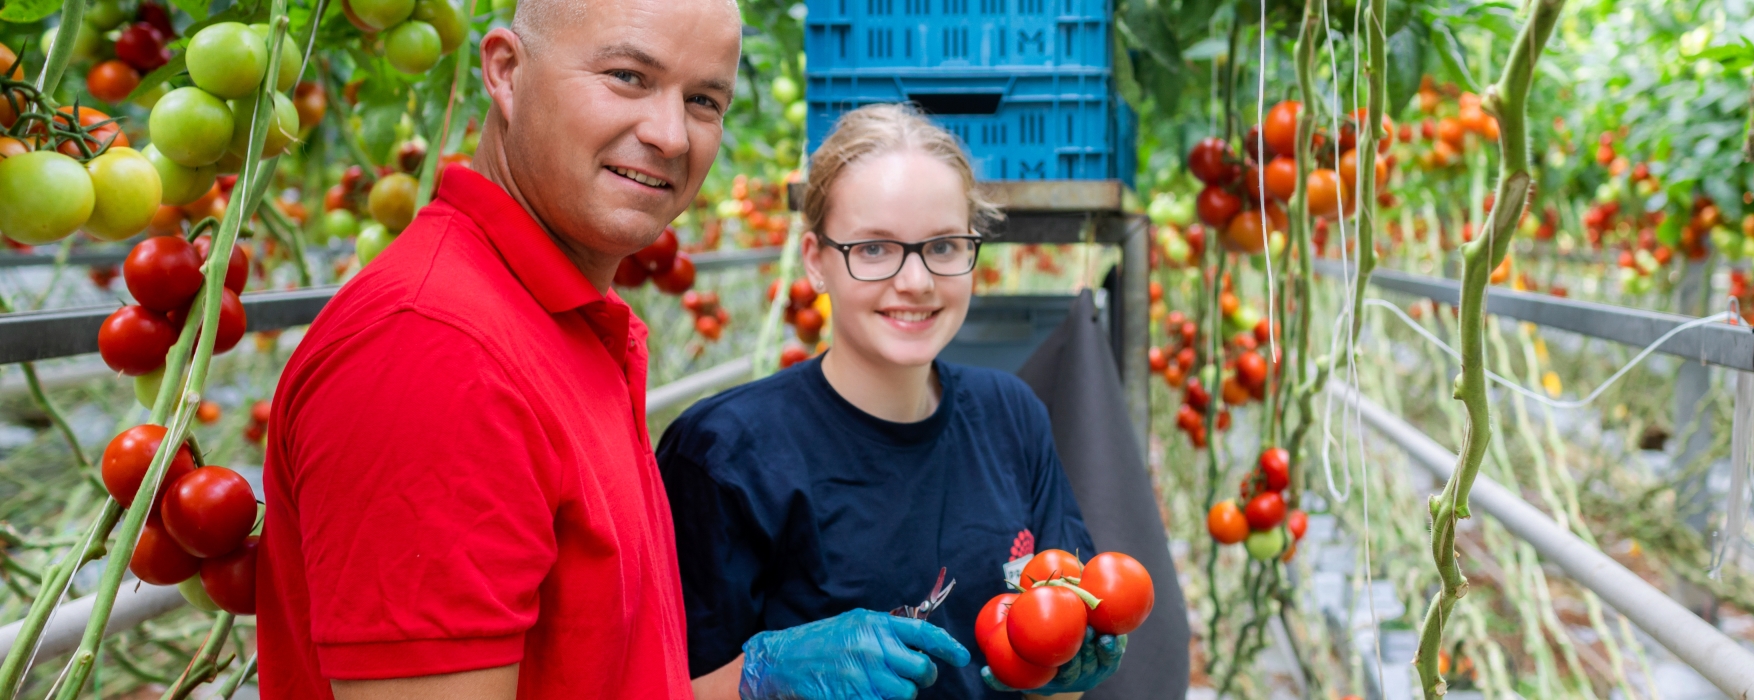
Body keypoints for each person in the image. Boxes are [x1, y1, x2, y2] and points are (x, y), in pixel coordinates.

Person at [255, 0, 740, 697]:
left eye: (702, 100)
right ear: (506, 73)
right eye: (628, 76)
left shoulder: (550, 322)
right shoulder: (435, 351)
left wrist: (751, 681)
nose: (670, 135)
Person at [657, 104, 1127, 700]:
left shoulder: (1013, 415)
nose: (916, 281)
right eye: (875, 249)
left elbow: (1056, 681)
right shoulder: (724, 453)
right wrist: (761, 680)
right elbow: (654, 684)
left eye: (944, 246)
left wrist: (1063, 670)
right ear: (816, 261)